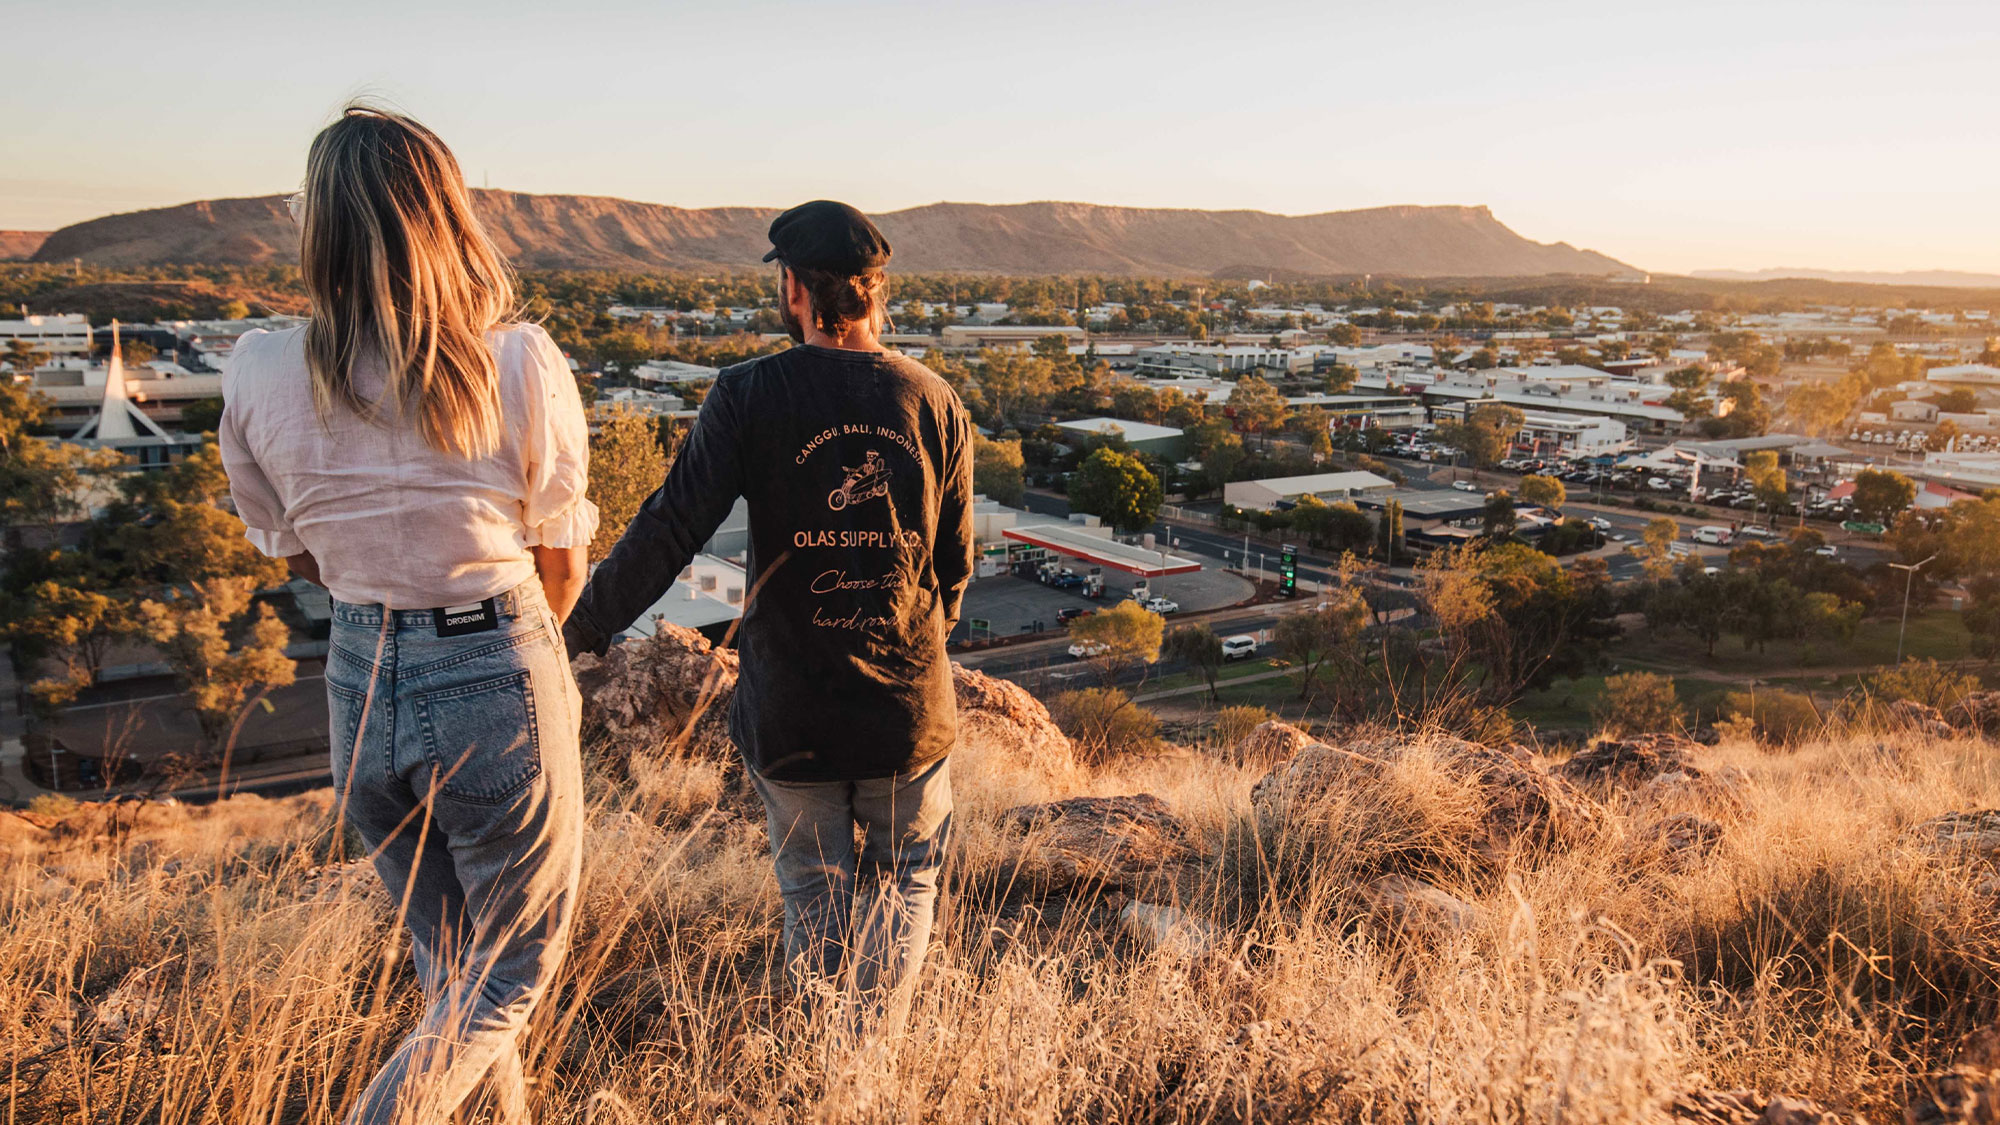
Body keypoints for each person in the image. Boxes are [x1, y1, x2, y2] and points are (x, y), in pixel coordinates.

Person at [219, 104, 596, 1124]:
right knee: (510, 973)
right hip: (491, 660)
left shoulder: (259, 368)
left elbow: (291, 546)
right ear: (446, 216)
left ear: (319, 229)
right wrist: (520, 657)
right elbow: (560, 560)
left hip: (360, 671)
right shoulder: (515, 363)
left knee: (455, 972)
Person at [564, 200, 974, 1036]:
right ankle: (868, 1061)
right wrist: (907, 645)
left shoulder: (748, 395)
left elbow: (670, 528)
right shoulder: (935, 402)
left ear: (794, 289)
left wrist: (582, 625)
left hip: (794, 710)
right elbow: (954, 571)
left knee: (816, 892)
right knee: (906, 878)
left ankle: (822, 1058)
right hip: (906, 711)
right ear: (874, 291)